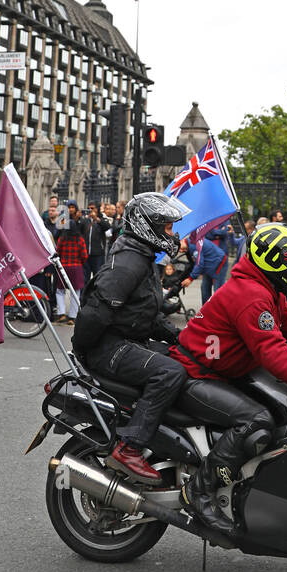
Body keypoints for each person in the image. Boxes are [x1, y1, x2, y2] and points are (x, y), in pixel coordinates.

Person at [172, 223, 287, 534]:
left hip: (223, 370)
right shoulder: (252, 296)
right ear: (274, 261)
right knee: (256, 421)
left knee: (286, 407)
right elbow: (275, 354)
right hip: (197, 374)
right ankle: (200, 491)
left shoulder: (266, 288)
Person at [72, 191, 191, 483]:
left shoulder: (142, 257)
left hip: (127, 341)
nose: (172, 234)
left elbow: (145, 314)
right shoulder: (128, 263)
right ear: (146, 225)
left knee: (184, 359)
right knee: (170, 372)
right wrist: (83, 351)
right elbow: (94, 315)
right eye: (167, 227)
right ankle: (130, 446)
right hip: (111, 347)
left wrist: (181, 338)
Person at [54, 213, 88, 323]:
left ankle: (61, 313)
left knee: (60, 291)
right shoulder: (80, 239)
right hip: (76, 268)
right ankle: (72, 317)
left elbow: (57, 252)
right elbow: (84, 255)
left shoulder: (62, 239)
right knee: (75, 292)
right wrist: (80, 263)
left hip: (63, 267)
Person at [184, 232, 230, 304]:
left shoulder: (195, 245)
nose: (180, 251)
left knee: (218, 290)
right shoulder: (189, 245)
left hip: (219, 263)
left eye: (180, 248)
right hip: (209, 264)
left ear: (182, 240)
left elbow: (199, 263)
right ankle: (206, 311)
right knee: (205, 288)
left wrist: (190, 278)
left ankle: (219, 312)